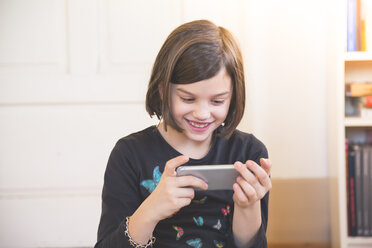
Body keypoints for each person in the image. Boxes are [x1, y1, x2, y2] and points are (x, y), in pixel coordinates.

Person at [95, 19, 272, 248]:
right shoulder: (129, 154)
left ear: (233, 96)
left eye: (217, 100)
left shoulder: (248, 152)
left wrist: (248, 206)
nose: (202, 113)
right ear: (162, 90)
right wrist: (151, 210)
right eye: (188, 99)